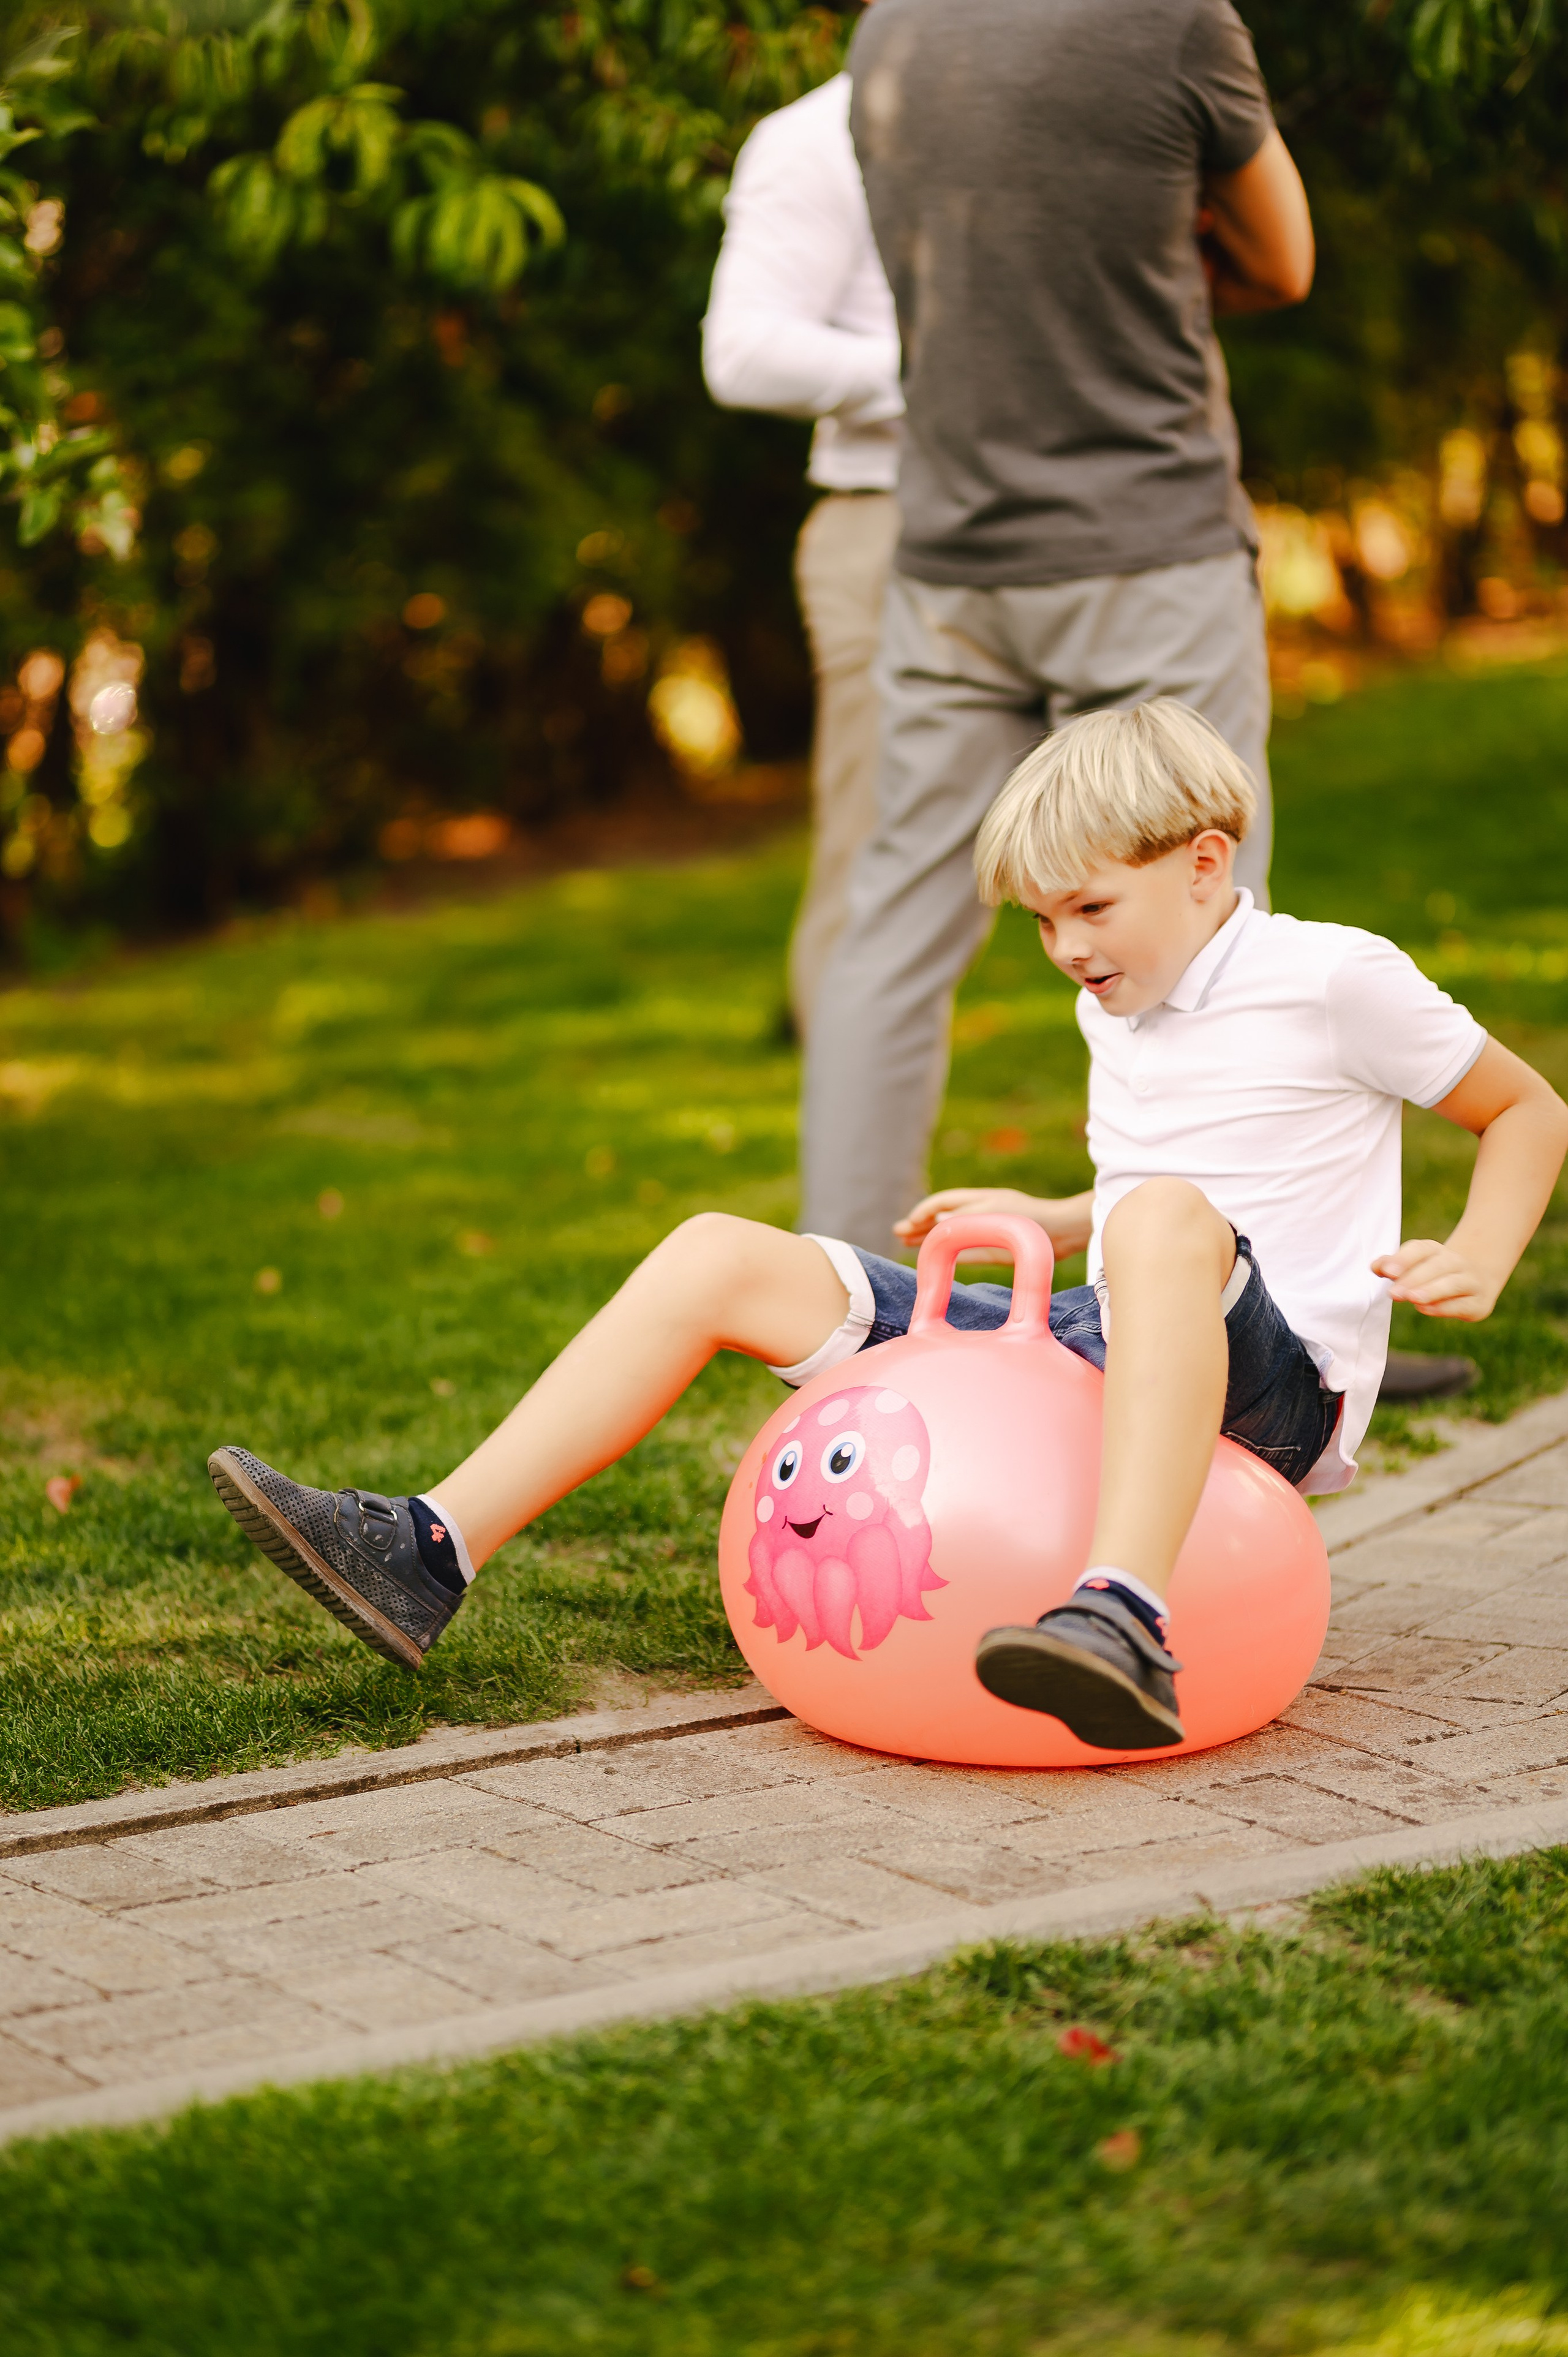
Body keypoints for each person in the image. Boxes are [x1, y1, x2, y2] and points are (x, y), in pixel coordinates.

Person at [208, 701, 1568, 1754]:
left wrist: (1481, 1251)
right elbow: (1166, 1195)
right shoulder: (1118, 1000)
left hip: (1272, 1392)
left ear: (1206, 866)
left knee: (1160, 1220)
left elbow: (1526, 1111)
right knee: (718, 1251)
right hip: (1114, 1320)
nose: (1067, 949)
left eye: (1091, 908)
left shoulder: (1334, 978)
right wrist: (1048, 1213)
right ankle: (428, 1546)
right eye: (1043, 921)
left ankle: (1125, 1616)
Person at [800, 0, 1315, 1254]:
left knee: (892, 931)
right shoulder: (1175, 22)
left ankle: (837, 1293)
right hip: (1147, 551)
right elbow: (1285, 261)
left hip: (949, 564)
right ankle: (1226, 1300)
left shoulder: (889, 35)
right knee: (1205, 927)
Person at [702, 51, 902, 1038]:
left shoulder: (1085, 97)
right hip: (892, 521)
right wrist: (955, 371)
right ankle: (842, 1087)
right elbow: (743, 353)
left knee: (1155, 832)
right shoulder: (819, 137)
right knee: (878, 855)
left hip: (1099, 514)